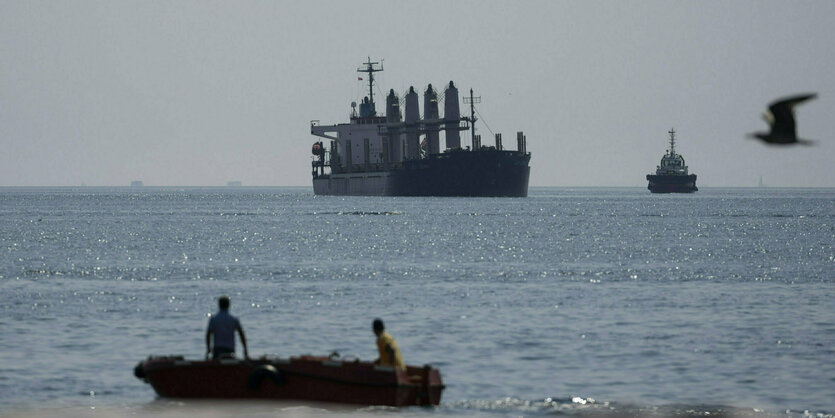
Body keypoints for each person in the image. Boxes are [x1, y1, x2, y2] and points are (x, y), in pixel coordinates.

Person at [205, 295, 249, 360]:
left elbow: (208, 334)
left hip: (217, 349)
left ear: (219, 305)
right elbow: (241, 334)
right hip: (230, 349)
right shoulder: (234, 319)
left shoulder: (213, 319)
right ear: (229, 305)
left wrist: (208, 349)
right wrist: (245, 349)